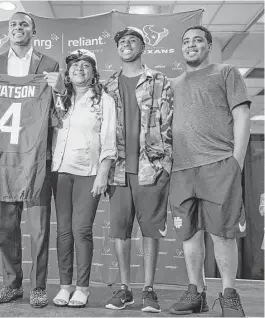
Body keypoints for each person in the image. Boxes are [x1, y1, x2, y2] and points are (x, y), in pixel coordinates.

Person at [0, 11, 65, 308]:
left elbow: (59, 116)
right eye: (13, 25)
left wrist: (60, 90)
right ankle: (11, 284)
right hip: (2, 157)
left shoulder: (49, 65)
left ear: (33, 30)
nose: (18, 28)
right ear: (7, 32)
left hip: (36, 157)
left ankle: (37, 286)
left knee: (39, 227)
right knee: (4, 226)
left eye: (24, 24)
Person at [169, 26, 249, 317]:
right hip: (181, 169)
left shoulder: (226, 72)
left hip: (219, 164)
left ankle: (229, 295)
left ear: (209, 45)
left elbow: (241, 115)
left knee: (222, 235)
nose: (191, 45)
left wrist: (236, 161)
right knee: (188, 235)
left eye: (197, 41)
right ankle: (196, 293)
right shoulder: (173, 83)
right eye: (186, 41)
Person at [103, 27, 173, 313]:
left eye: (132, 40)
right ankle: (124, 289)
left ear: (143, 46)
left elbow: (170, 122)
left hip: (151, 168)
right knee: (120, 231)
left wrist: (166, 162)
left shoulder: (159, 81)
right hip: (118, 170)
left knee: (150, 231)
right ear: (117, 49)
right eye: (121, 41)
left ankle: (148, 289)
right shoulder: (107, 85)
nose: (126, 44)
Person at [51, 49, 117, 308]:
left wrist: (103, 172)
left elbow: (109, 138)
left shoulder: (103, 101)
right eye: (75, 65)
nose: (79, 69)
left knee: (81, 230)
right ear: (67, 73)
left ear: (93, 72)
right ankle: (65, 286)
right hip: (60, 172)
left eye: (85, 65)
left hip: (88, 173)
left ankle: (83, 287)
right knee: (64, 231)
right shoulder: (60, 99)